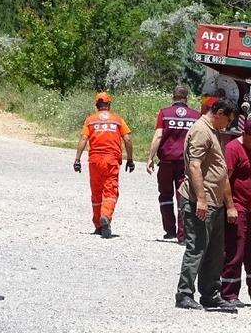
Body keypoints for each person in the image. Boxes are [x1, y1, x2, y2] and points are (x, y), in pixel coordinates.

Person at [174, 98, 239, 311]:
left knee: (215, 252)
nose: (228, 125)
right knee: (197, 248)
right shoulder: (201, 131)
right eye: (228, 120)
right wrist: (201, 199)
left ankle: (210, 293)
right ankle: (184, 294)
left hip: (215, 202)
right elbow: (195, 166)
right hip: (200, 202)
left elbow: (221, 171)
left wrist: (229, 204)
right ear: (219, 113)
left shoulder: (214, 132)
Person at [73, 92, 134, 239]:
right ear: (109, 104)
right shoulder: (117, 119)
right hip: (111, 160)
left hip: (94, 160)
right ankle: (105, 216)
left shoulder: (90, 120)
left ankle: (98, 226)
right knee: (110, 191)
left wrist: (77, 160)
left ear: (96, 105)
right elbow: (127, 139)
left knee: (96, 192)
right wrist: (130, 159)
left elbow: (83, 139)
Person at [220, 117, 251, 307]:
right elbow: (224, 179)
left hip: (250, 208)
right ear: (244, 133)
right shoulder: (232, 149)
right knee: (235, 251)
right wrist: (230, 206)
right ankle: (229, 293)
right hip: (237, 208)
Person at [146, 85, 200, 242]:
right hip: (185, 163)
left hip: (166, 162)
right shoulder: (196, 116)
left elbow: (158, 135)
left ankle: (169, 230)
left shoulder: (164, 113)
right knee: (183, 196)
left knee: (165, 195)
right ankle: (183, 234)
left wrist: (150, 157)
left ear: (173, 97)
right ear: (186, 98)